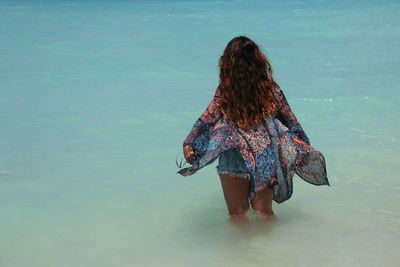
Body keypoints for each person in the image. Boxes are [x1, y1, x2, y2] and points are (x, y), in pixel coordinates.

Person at [177, 36, 330, 224]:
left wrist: (188, 142)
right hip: (264, 156)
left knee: (237, 215)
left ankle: (241, 253)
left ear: (227, 63)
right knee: (264, 214)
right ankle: (272, 252)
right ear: (258, 60)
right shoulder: (270, 90)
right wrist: (302, 147)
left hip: (232, 155)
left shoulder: (226, 91)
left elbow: (207, 118)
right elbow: (291, 121)